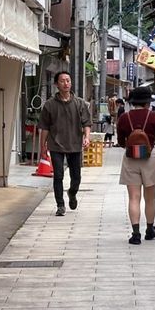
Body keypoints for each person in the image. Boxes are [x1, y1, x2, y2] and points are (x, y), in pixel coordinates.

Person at [116, 86, 155, 245]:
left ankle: (135, 233)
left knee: (134, 197)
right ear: (147, 103)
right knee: (150, 198)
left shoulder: (124, 117)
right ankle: (150, 229)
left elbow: (120, 141)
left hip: (131, 158)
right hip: (150, 157)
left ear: (132, 102)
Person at [38, 71, 92, 216]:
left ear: (71, 83)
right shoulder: (49, 105)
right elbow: (44, 128)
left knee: (76, 177)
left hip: (75, 144)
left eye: (68, 80)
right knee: (58, 176)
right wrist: (42, 147)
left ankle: (72, 193)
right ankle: (60, 205)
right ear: (56, 84)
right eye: (62, 81)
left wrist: (86, 137)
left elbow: (86, 123)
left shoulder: (79, 103)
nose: (66, 83)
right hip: (55, 145)